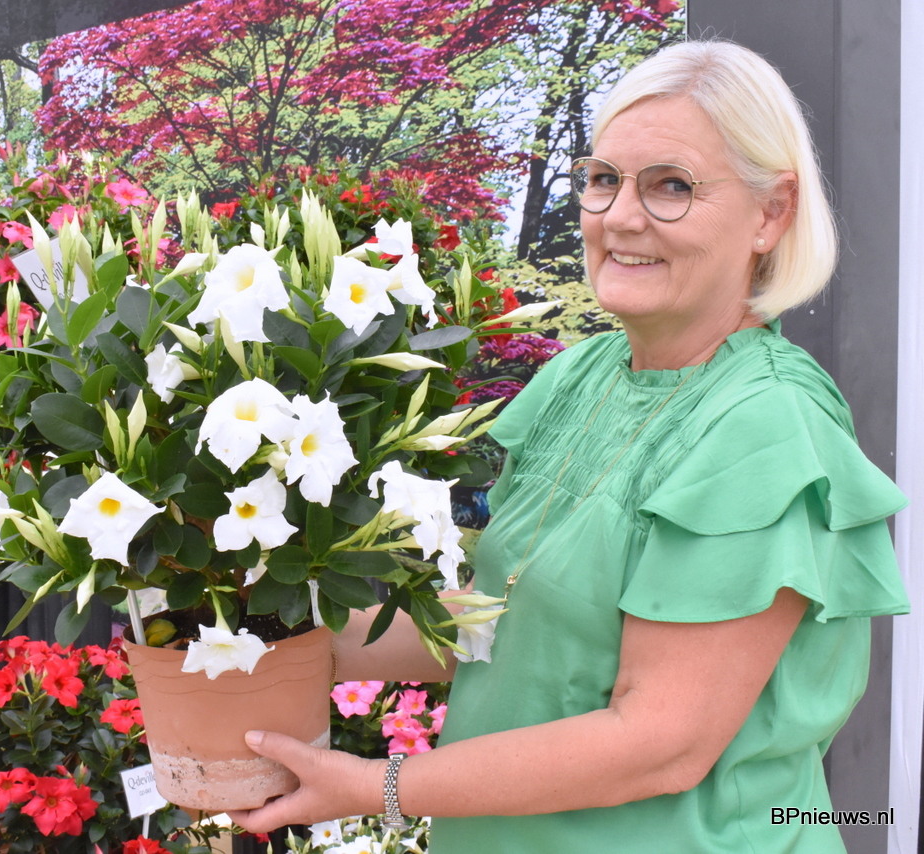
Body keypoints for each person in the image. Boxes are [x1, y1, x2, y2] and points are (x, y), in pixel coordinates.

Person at [227, 39, 910, 852]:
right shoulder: (582, 375)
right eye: (604, 179)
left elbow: (660, 743)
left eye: (672, 186)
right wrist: (264, 635)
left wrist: (378, 788)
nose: (620, 217)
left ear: (772, 213)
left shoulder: (765, 424)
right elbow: (508, 619)